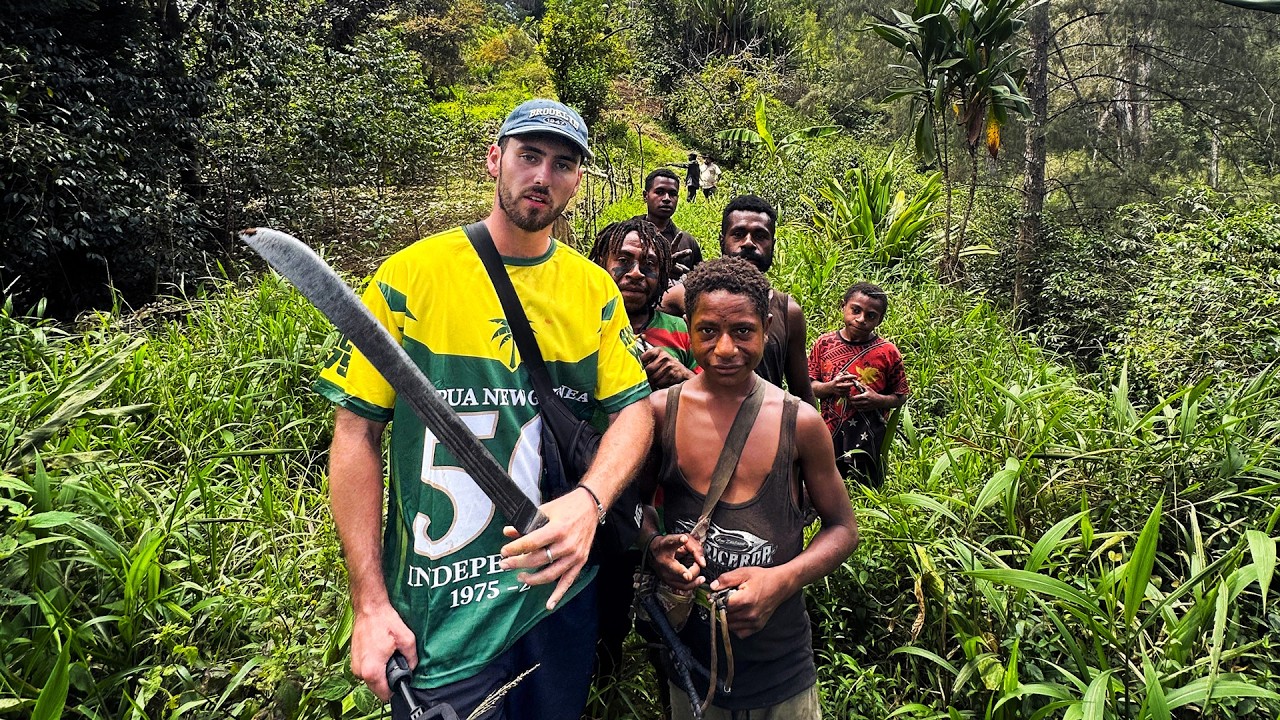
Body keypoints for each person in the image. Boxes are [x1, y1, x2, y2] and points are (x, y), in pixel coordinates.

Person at [315, 98, 655, 720]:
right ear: (495, 158)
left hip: (555, 590)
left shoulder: (592, 289)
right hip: (441, 607)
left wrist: (589, 501)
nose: (543, 177)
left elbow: (636, 411)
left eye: (562, 164)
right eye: (529, 156)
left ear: (578, 180)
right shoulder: (412, 276)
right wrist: (368, 603)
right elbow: (356, 432)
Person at [638, 257, 859, 719]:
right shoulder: (660, 414)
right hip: (691, 666)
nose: (724, 349)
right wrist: (654, 546)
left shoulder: (799, 422)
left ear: (767, 327)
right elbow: (636, 509)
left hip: (781, 668)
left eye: (742, 331)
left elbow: (842, 528)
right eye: (707, 331)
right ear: (688, 328)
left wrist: (781, 581)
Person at [586, 217, 700, 717]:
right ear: (600, 265)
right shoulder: (578, 321)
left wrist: (686, 378)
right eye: (623, 261)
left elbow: (726, 394)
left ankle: (671, 690)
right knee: (603, 602)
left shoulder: (680, 330)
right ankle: (601, 685)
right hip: (597, 491)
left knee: (669, 609)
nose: (635, 272)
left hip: (666, 494)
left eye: (649, 266)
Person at [661, 195, 816, 407]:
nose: (749, 243)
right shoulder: (684, 296)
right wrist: (656, 273)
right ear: (722, 240)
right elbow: (635, 319)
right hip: (695, 424)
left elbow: (802, 391)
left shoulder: (788, 311)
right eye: (739, 234)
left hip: (764, 428)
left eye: (760, 236)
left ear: (773, 244)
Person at [808, 282, 909, 486]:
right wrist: (831, 388)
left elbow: (901, 396)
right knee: (828, 483)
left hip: (870, 434)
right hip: (829, 431)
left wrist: (877, 400)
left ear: (879, 320)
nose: (861, 319)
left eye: (871, 316)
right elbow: (810, 386)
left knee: (867, 486)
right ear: (843, 306)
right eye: (856, 310)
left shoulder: (887, 352)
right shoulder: (824, 343)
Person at [633, 168, 703, 281]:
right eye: (659, 192)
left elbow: (699, 283)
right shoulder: (626, 236)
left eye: (672, 194)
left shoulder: (687, 242)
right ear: (645, 196)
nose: (666, 199)